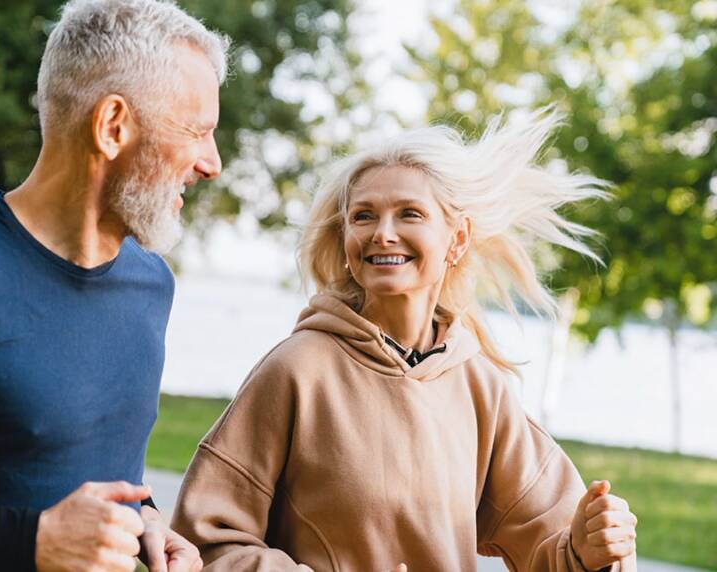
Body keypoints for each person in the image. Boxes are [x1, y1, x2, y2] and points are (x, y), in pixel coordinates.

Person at [172, 110, 638, 571]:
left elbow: (552, 546)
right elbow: (204, 543)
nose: (383, 233)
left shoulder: (480, 384)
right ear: (347, 239)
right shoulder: (296, 370)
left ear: (457, 240)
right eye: (364, 216)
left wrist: (587, 549)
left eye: (409, 214)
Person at [0, 0, 228, 570]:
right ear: (113, 127)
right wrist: (33, 540)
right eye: (196, 130)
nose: (212, 162)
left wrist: (146, 519)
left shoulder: (150, 281)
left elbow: (95, 467)